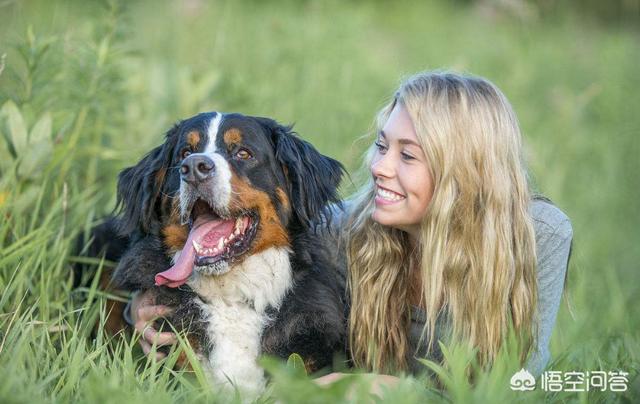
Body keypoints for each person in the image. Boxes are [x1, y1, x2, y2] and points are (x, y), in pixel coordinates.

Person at [128, 71, 572, 380]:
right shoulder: (346, 232)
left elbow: (522, 385)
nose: (380, 167)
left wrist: (405, 394)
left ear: (465, 171)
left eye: (408, 155)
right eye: (382, 146)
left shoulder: (539, 235)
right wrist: (138, 308)